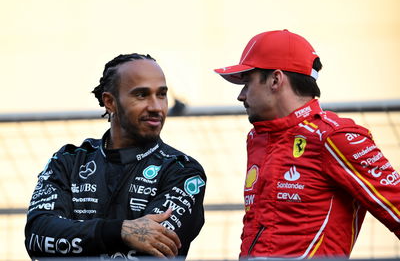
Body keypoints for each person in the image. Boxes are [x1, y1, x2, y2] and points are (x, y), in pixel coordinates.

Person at [214, 29, 400, 258]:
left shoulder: (334, 136)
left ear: (275, 79)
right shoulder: (258, 138)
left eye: (247, 83)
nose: (241, 96)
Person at [25, 53, 206, 259]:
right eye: (141, 95)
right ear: (110, 102)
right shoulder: (68, 161)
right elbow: (37, 235)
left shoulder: (182, 171)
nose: (156, 107)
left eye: (161, 94)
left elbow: (154, 248)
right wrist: (121, 231)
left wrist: (78, 234)